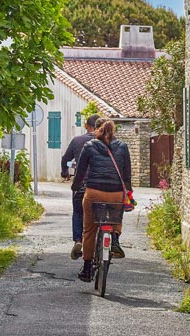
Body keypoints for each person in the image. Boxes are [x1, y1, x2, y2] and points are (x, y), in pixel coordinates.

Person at [72, 119, 131, 282]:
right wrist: (129, 192)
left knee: (89, 229)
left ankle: (86, 268)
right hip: (116, 193)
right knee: (115, 216)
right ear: (114, 130)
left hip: (94, 192)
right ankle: (115, 238)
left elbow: (81, 171)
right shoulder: (123, 147)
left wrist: (75, 187)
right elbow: (127, 174)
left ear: (97, 129)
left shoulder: (89, 146)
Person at [60, 114, 100, 260]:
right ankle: (107, 240)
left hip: (82, 184)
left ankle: (78, 240)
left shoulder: (78, 140)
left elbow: (66, 159)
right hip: (103, 186)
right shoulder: (107, 141)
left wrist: (65, 172)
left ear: (86, 126)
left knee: (78, 212)